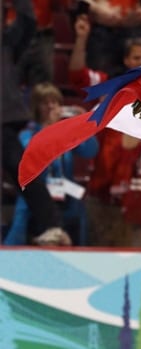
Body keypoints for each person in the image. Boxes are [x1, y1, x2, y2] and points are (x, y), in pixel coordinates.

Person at [68, 14, 141, 246]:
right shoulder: (109, 87)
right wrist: (81, 38)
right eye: (136, 57)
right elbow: (77, 75)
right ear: (126, 60)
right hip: (102, 193)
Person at [1, 0, 69, 246]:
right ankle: (52, 225)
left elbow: (29, 22)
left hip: (3, 118)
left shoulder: (7, 43)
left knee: (23, 172)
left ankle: (53, 226)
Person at [3, 83, 98, 246]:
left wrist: (84, 124)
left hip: (67, 204)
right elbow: (29, 159)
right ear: (36, 107)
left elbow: (90, 151)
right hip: (34, 207)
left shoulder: (67, 134)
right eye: (45, 102)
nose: (51, 106)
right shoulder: (25, 135)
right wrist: (49, 129)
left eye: (55, 102)